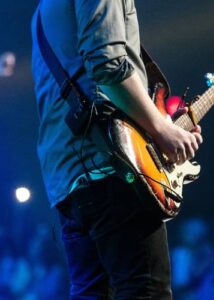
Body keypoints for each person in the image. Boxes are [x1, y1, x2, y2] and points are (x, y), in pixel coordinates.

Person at [31, 0, 203, 299]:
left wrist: (165, 125)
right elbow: (107, 65)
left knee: (92, 293)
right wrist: (161, 130)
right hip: (113, 167)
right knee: (145, 291)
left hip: (68, 179)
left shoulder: (43, 10)